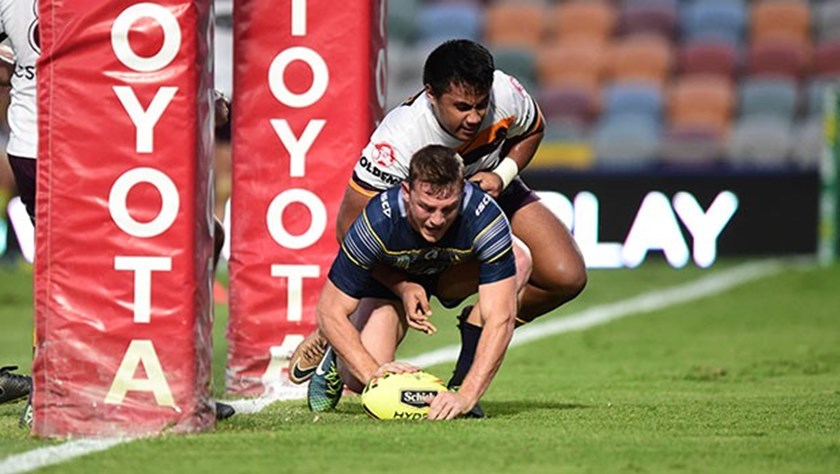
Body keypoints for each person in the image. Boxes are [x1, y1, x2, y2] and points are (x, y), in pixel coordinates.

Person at [290, 39, 587, 406]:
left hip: (483, 193)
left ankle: (472, 339)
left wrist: (503, 174)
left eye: (481, 105)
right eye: (462, 107)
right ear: (431, 95)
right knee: (363, 378)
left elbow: (533, 128)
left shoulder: (505, 93)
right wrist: (401, 284)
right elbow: (348, 229)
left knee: (565, 274)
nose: (474, 118)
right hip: (407, 244)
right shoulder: (398, 141)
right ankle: (335, 343)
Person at [0, 1, 234, 425]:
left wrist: (23, 69)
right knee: (95, 264)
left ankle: (166, 383)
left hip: (46, 142)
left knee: (80, 266)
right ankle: (64, 389)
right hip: (78, 143)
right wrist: (202, 99)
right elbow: (123, 63)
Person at [308, 144, 530, 419]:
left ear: (463, 192)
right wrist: (373, 373)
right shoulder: (378, 221)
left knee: (520, 259)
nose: (436, 220)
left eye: (448, 209)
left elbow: (501, 318)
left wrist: (467, 396)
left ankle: (459, 381)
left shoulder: (486, 217)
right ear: (406, 192)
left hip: (451, 275)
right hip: (393, 279)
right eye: (427, 207)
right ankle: (334, 356)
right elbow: (329, 311)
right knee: (359, 379)